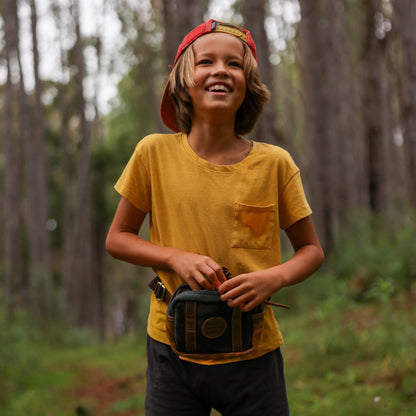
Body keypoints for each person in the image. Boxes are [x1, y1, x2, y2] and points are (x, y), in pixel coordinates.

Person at [106, 19, 324, 416]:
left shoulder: (275, 164)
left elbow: (311, 250)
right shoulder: (153, 154)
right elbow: (117, 238)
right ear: (183, 81)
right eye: (205, 61)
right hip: (172, 350)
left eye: (235, 64)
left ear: (249, 84)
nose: (221, 70)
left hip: (254, 354)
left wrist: (272, 277)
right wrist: (175, 257)